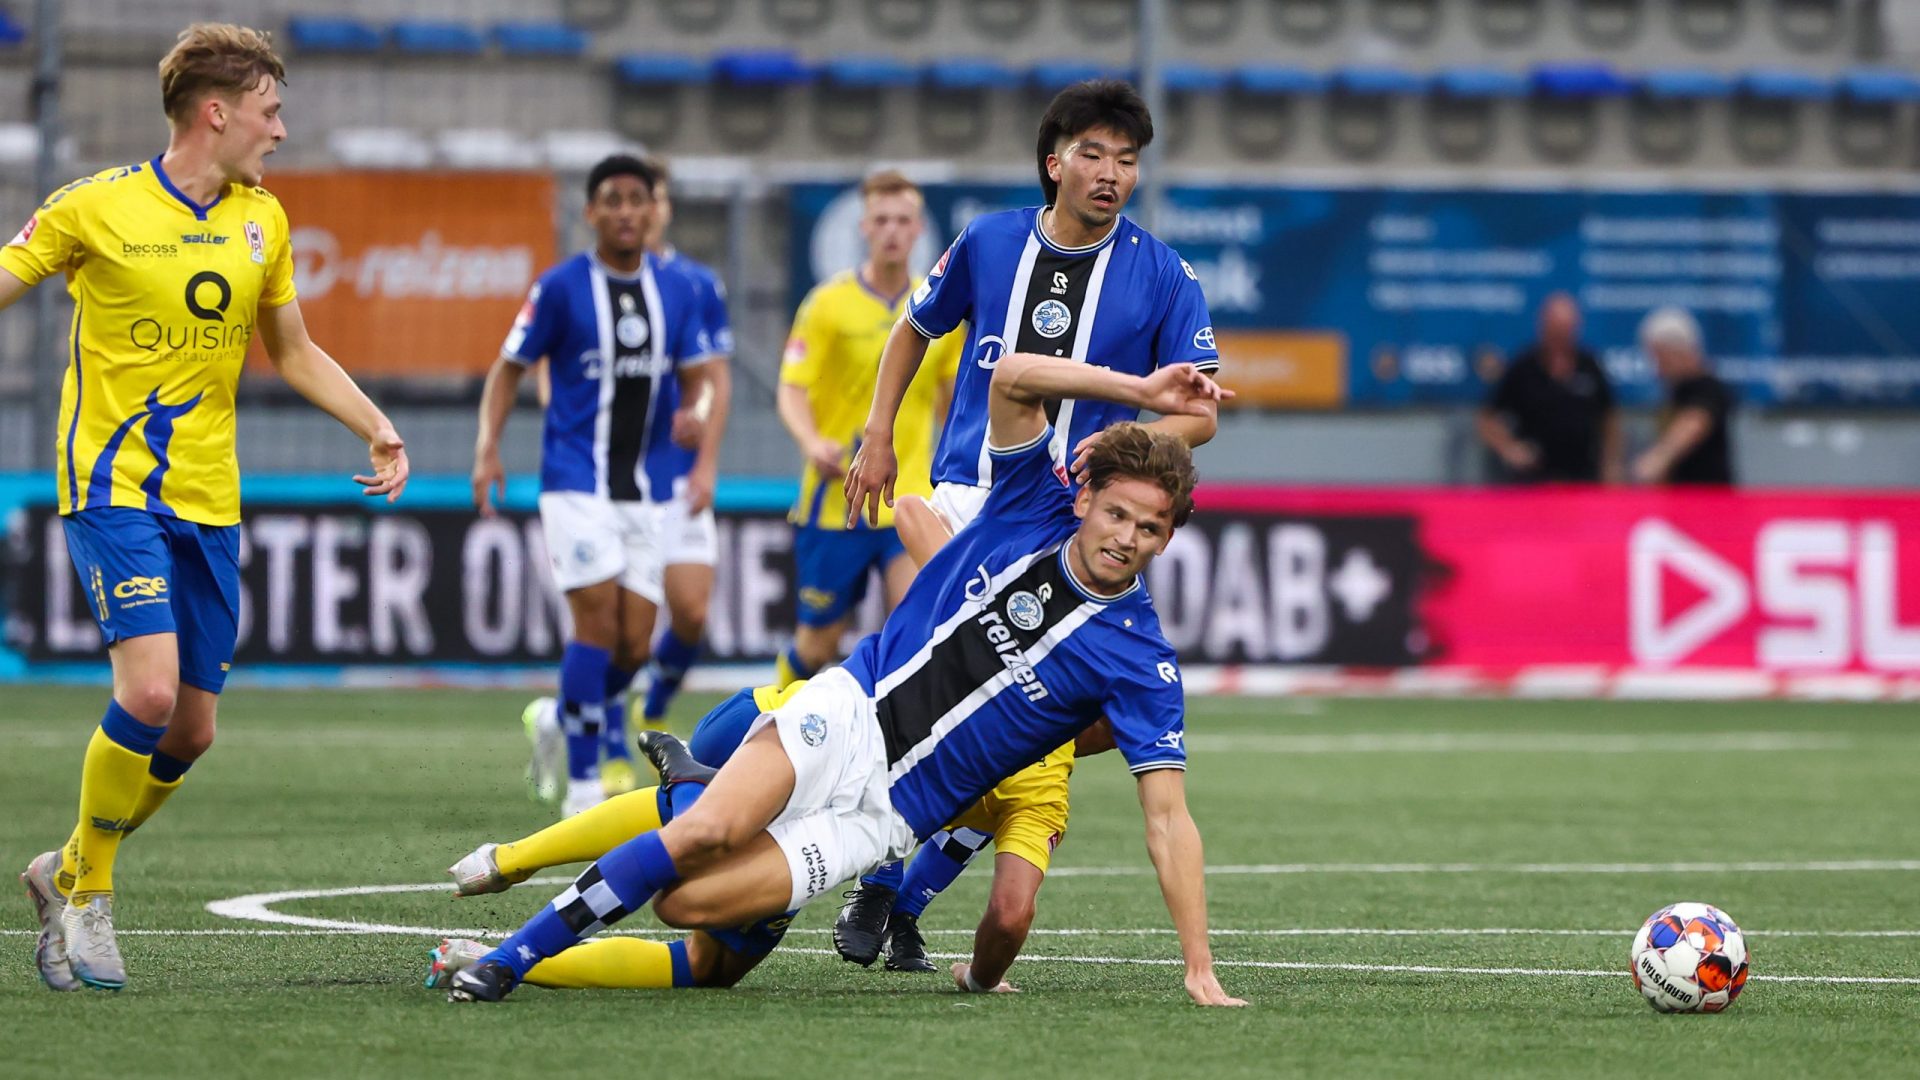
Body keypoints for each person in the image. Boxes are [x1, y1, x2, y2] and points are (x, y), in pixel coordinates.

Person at [439, 352, 1245, 1008]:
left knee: (691, 913)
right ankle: (508, 961)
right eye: (1118, 514)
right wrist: (1138, 392)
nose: (1128, 537)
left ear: (1168, 541)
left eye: (1151, 528)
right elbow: (1010, 378)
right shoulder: (1034, 500)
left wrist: (1198, 967)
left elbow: (1169, 821)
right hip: (848, 715)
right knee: (702, 837)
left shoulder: (1143, 661)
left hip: (888, 818)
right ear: (1086, 501)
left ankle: (691, 789)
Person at [10, 23, 410, 992]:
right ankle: (92, 898)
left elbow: (296, 349)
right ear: (217, 112)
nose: (281, 130)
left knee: (190, 732)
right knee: (147, 694)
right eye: (270, 111)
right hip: (111, 487)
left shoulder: (262, 221)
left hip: (208, 498)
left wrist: (377, 425)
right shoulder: (93, 208)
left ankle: (58, 870)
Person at [833, 78, 1223, 979]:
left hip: (1080, 517)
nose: (1111, 173)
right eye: (1093, 154)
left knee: (1062, 726)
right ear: (1055, 162)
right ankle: (871, 860)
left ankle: (902, 886)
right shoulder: (990, 239)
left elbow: (1199, 415)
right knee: (935, 693)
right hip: (982, 490)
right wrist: (880, 435)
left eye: (1127, 161)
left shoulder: (1164, 273)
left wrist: (1126, 450)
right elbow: (913, 330)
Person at [471, 155, 726, 818]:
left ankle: (561, 717)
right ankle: (583, 788)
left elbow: (701, 378)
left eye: (635, 199)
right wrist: (488, 448)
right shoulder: (559, 288)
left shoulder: (675, 291)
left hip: (640, 490)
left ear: (653, 210)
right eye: (610, 199)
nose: (623, 211)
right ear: (591, 212)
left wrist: (694, 417)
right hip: (573, 481)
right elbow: (508, 369)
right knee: (596, 624)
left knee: (634, 645)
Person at [774, 169, 960, 686]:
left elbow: (951, 402)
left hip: (911, 498)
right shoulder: (827, 305)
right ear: (864, 227)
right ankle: (760, 733)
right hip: (839, 502)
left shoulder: (939, 306)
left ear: (920, 229)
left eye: (903, 220)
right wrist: (813, 443)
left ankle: (890, 755)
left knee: (915, 629)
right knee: (817, 644)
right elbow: (791, 388)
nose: (893, 231)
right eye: (882, 220)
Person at [631, 157, 734, 738]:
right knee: (625, 631)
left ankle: (650, 708)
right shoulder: (589, 280)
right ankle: (595, 745)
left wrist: (707, 460)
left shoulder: (696, 284)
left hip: (678, 472)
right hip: (614, 479)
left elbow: (714, 381)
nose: (648, 211)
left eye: (658, 198)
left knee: (691, 615)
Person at [1478, 292, 1624, 484]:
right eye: (1555, 330)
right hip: (1534, 480)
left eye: (1566, 330)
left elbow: (1610, 418)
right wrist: (1510, 449)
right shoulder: (1524, 367)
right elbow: (1486, 419)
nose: (1561, 337)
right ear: (1543, 327)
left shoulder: (1590, 365)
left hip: (1583, 478)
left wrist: (1611, 464)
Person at [1633, 306, 1736, 486]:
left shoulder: (1707, 387)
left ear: (1677, 351)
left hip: (1707, 496)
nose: (1658, 368)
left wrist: (1659, 458)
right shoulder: (1676, 391)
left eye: (1660, 358)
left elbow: (1694, 422)